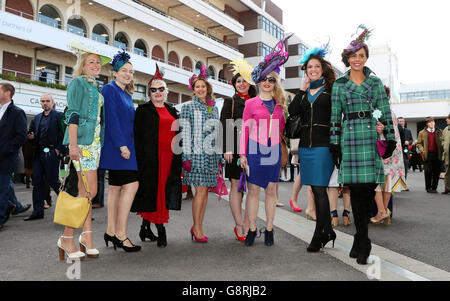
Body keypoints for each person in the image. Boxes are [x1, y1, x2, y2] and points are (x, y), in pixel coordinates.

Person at [330, 25, 396, 264]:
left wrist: (388, 137)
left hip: (370, 136)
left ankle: (361, 238)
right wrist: (334, 143)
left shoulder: (376, 83)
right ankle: (363, 239)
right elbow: (335, 115)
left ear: (366, 57)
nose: (357, 59)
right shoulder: (339, 84)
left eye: (361, 55)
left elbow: (384, 112)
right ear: (347, 58)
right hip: (350, 138)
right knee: (355, 191)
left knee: (367, 191)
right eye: (353, 56)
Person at [58, 43, 111, 260]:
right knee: (89, 192)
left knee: (86, 192)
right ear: (82, 65)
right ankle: (67, 238)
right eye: (91, 62)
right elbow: (72, 114)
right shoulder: (78, 83)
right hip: (82, 144)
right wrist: (72, 145)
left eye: (98, 62)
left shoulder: (95, 87)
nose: (96, 65)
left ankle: (87, 236)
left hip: (94, 144)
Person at [239, 36, 290, 247]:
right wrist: (243, 154)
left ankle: (269, 229)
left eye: (271, 80)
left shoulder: (280, 106)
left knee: (271, 190)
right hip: (254, 150)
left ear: (275, 83)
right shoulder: (250, 103)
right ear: (258, 81)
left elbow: (283, 130)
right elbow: (244, 130)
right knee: (253, 191)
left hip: (274, 151)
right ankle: (252, 228)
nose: (267, 83)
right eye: (264, 79)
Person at [288, 42, 337, 252]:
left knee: (319, 189)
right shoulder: (305, 92)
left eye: (316, 66)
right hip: (305, 147)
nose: (313, 70)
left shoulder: (331, 90)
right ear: (306, 71)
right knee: (316, 190)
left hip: (323, 146)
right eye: (310, 67)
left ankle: (319, 235)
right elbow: (292, 111)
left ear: (323, 69)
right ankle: (328, 231)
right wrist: (301, 90)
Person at [131, 64, 182, 248]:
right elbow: (137, 137)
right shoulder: (143, 110)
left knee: (162, 193)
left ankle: (145, 227)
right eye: (154, 90)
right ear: (149, 93)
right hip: (151, 160)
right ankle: (161, 230)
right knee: (155, 194)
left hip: (170, 159)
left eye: (161, 89)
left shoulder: (172, 110)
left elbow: (179, 136)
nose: (158, 92)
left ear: (166, 91)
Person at [100, 51, 141, 252]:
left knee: (115, 188)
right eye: (124, 70)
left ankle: (110, 231)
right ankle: (121, 234)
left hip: (125, 147)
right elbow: (111, 119)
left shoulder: (126, 93)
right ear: (115, 72)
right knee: (132, 185)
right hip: (118, 148)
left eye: (131, 71)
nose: (127, 74)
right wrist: (121, 145)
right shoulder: (109, 90)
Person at [181, 66, 222, 243]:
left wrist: (219, 156)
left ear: (207, 88)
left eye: (203, 86)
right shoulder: (187, 107)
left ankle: (198, 225)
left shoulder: (214, 108)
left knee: (205, 192)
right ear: (193, 89)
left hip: (211, 156)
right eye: (197, 86)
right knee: (199, 191)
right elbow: (184, 134)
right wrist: (186, 157)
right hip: (195, 156)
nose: (200, 89)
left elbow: (217, 133)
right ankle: (196, 227)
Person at [220, 58, 257, 241]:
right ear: (234, 84)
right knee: (236, 186)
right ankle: (239, 225)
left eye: (245, 80)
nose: (242, 84)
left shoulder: (259, 101)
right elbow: (224, 125)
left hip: (255, 150)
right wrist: (226, 148)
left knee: (252, 188)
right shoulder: (230, 102)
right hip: (234, 150)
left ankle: (249, 223)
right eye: (238, 81)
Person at [24, 94, 66, 221]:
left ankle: (69, 209)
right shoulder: (36, 118)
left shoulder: (58, 116)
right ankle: (38, 211)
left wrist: (58, 150)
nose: (45, 103)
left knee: (54, 181)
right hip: (39, 153)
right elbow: (32, 135)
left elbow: (65, 135)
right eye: (43, 101)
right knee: (37, 183)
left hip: (52, 152)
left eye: (47, 101)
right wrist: (31, 138)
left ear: (52, 103)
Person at [371, 86, 406, 225]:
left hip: (381, 151)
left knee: (375, 182)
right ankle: (385, 211)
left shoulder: (377, 111)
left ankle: (381, 211)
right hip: (394, 152)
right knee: (387, 184)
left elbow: (377, 129)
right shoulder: (391, 111)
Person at [0, 83, 28, 231]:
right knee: (4, 186)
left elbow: (21, 136)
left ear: (8, 92)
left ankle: (1, 219)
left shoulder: (17, 112)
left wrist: (6, 149)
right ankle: (14, 206)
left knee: (2, 189)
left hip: (6, 157)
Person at [416, 117, 443, 193]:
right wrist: (423, 150)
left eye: (433, 122)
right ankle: (428, 188)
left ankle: (434, 188)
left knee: (436, 172)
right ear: (427, 124)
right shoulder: (422, 132)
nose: (432, 123)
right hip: (427, 154)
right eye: (430, 122)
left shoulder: (439, 131)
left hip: (437, 154)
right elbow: (418, 143)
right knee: (427, 172)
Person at [442, 114, 450, 194]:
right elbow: (442, 139)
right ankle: (447, 188)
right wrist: (444, 144)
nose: (446, 120)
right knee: (447, 173)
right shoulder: (446, 129)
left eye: (448, 119)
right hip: (447, 155)